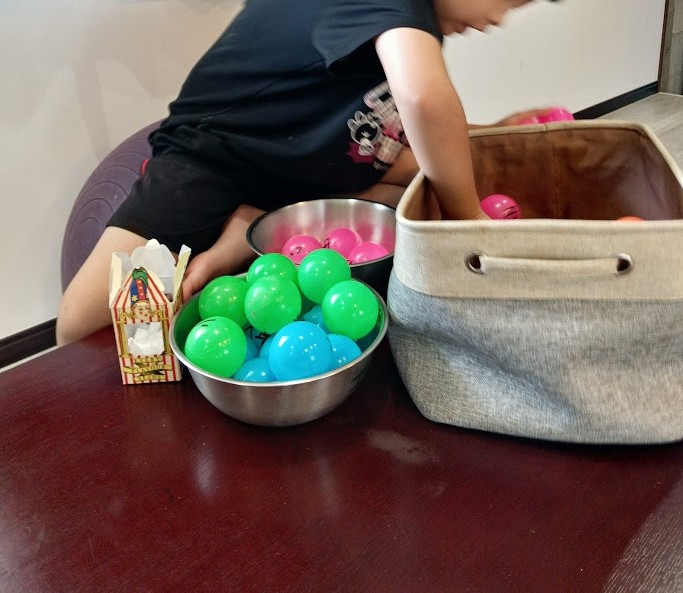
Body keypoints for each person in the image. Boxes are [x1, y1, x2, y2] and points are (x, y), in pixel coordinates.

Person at [57, 0, 560, 346]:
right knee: (80, 324)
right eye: (507, 0)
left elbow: (387, 132)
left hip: (295, 163)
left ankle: (242, 233)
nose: (498, 19)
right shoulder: (395, 9)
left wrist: (489, 135)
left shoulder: (406, 27)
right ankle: (242, 229)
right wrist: (468, 223)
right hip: (212, 159)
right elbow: (425, 100)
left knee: (410, 197)